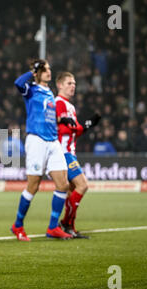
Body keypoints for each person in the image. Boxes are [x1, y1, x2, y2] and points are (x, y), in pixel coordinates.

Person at [10, 59, 72, 241]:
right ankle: (18, 225)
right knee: (33, 186)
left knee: (63, 184)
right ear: (37, 73)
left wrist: (62, 121)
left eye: (48, 69)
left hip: (53, 142)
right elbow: (18, 83)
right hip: (37, 140)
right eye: (44, 69)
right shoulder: (31, 89)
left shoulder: (49, 93)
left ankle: (53, 227)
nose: (48, 72)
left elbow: (49, 116)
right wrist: (32, 71)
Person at [55, 71, 100, 238]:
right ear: (60, 85)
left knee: (71, 190)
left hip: (69, 152)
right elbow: (59, 126)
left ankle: (69, 226)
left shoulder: (70, 107)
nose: (73, 86)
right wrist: (78, 126)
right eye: (69, 83)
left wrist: (88, 125)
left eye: (74, 83)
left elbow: (74, 131)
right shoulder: (57, 103)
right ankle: (66, 223)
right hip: (62, 152)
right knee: (83, 185)